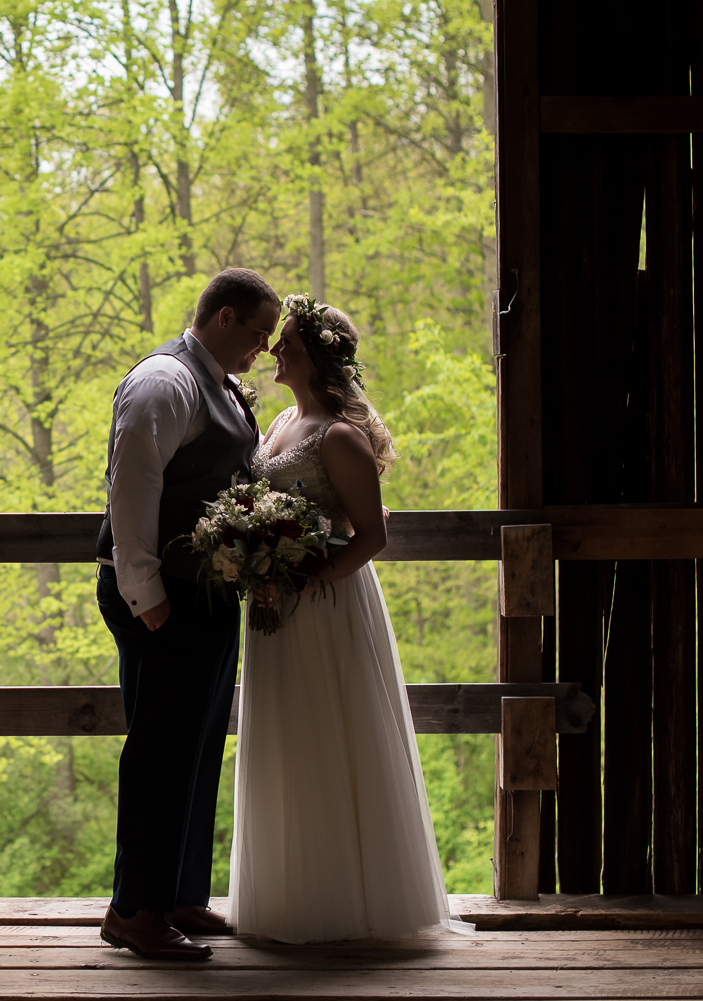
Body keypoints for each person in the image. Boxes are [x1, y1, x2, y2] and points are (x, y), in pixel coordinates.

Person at [229, 295, 449, 942]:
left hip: (325, 602)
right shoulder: (277, 423)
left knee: (331, 732)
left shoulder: (340, 436)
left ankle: (344, 903)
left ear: (316, 354)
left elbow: (371, 534)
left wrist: (310, 575)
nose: (274, 350)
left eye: (287, 341)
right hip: (276, 600)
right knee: (284, 738)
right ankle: (285, 899)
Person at [94, 268, 280, 961]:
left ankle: (176, 894)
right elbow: (133, 487)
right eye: (258, 333)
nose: (262, 348)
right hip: (161, 595)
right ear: (224, 316)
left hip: (202, 592)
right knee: (160, 751)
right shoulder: (164, 382)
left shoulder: (217, 383)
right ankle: (133, 909)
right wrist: (149, 601)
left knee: (199, 746)